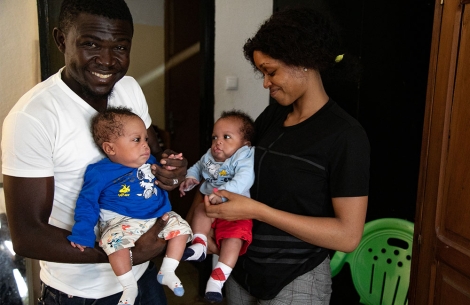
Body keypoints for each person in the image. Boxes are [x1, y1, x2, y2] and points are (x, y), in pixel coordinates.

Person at [1, 0, 187, 304]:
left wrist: (172, 170)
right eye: (90, 44)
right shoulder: (34, 118)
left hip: (145, 278)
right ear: (62, 40)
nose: (107, 61)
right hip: (80, 294)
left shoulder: (129, 89)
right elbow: (27, 235)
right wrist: (126, 251)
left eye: (120, 47)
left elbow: (153, 154)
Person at [198, 7, 370, 304]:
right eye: (262, 73)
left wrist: (257, 210)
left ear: (303, 61)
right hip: (242, 270)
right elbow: (235, 170)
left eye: (271, 71)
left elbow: (348, 236)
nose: (266, 83)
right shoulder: (272, 117)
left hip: (296, 279)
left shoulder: (345, 135)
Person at [68, 107, 192, 303]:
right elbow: (87, 203)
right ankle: (128, 286)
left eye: (145, 139)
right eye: (137, 140)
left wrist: (169, 165)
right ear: (110, 148)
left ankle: (168, 269)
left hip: (156, 217)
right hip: (120, 221)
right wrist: (83, 232)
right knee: (114, 243)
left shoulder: (150, 161)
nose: (145, 145)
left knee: (182, 229)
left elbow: (166, 173)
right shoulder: (99, 172)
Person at [179, 110, 255, 303]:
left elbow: (244, 180)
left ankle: (217, 278)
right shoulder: (210, 156)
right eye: (215, 137)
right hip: (210, 206)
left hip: (235, 212)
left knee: (234, 239)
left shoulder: (244, 157)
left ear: (244, 144)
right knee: (199, 211)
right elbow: (198, 166)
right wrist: (191, 178)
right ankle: (199, 244)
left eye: (226, 137)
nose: (217, 142)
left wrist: (220, 195)